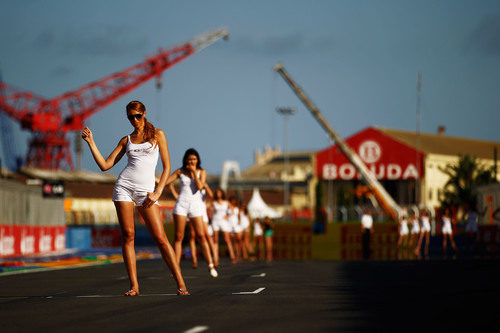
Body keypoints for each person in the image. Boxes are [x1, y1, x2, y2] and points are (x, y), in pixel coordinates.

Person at [81, 100, 188, 296]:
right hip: (124, 188)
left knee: (161, 238)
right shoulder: (126, 140)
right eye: (131, 117)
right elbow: (105, 165)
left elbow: (167, 168)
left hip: (147, 192)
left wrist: (157, 193)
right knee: (128, 235)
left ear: (144, 114)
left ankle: (181, 284)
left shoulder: (158, 135)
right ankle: (134, 286)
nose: (135, 120)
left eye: (138, 116)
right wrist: (91, 143)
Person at [166, 148, 218, 277]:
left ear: (197, 160)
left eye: (194, 159)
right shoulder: (180, 172)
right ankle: (176, 267)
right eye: (189, 159)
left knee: (201, 236)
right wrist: (157, 181)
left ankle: (210, 265)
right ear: (185, 160)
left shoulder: (202, 172)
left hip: (196, 205)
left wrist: (194, 173)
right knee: (179, 236)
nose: (192, 161)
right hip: (181, 204)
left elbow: (200, 187)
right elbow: (167, 181)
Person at [211, 189, 237, 264]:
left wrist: (228, 216)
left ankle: (232, 256)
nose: (218, 194)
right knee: (215, 240)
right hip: (215, 221)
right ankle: (216, 258)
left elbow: (233, 211)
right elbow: (209, 208)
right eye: (217, 192)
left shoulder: (226, 202)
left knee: (227, 239)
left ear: (222, 193)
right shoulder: (214, 202)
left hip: (223, 221)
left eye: (220, 192)